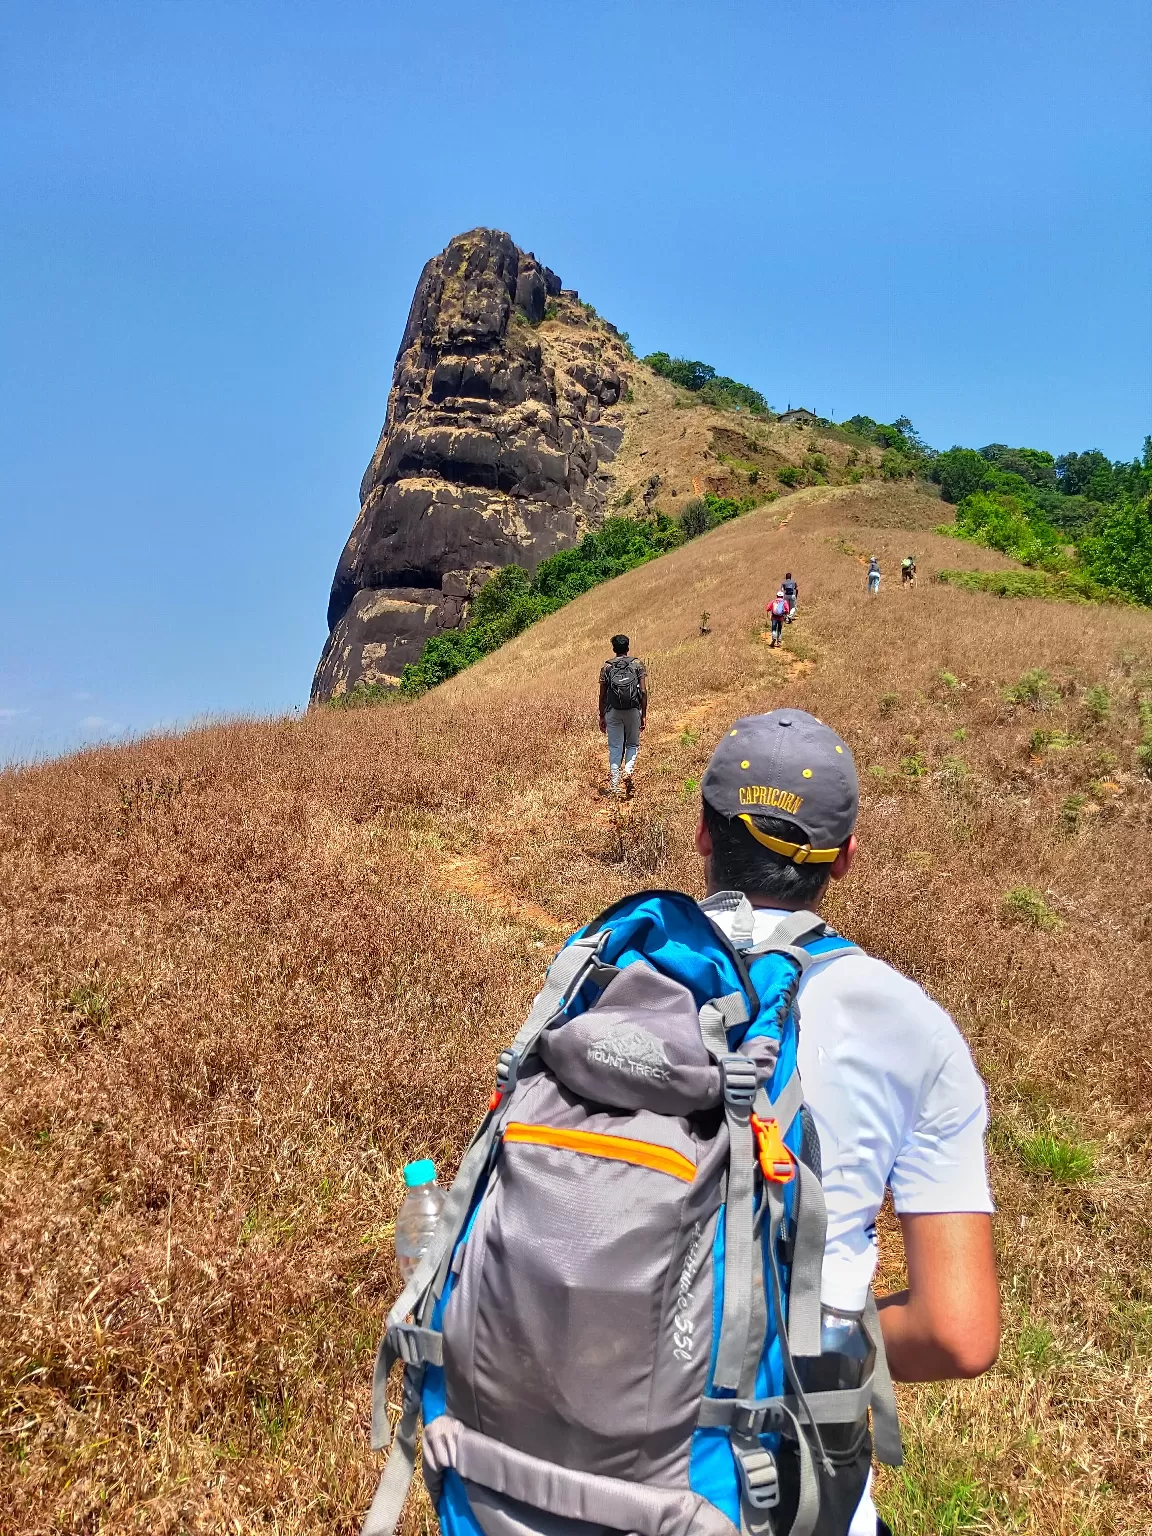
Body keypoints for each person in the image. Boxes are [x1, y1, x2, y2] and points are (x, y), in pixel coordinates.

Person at [695, 710, 999, 1536]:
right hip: (779, 1482)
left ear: (701, 833)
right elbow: (958, 1333)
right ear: (848, 858)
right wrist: (802, 1345)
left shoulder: (601, 972)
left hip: (563, 1466)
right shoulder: (912, 1023)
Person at [598, 633, 647, 797]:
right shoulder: (637, 665)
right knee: (632, 744)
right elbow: (644, 691)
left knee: (615, 748)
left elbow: (602, 695)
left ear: (613, 649)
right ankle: (628, 769)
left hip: (613, 711)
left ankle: (614, 785)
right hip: (633, 709)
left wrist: (602, 715)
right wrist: (643, 714)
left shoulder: (606, 667)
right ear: (628, 647)